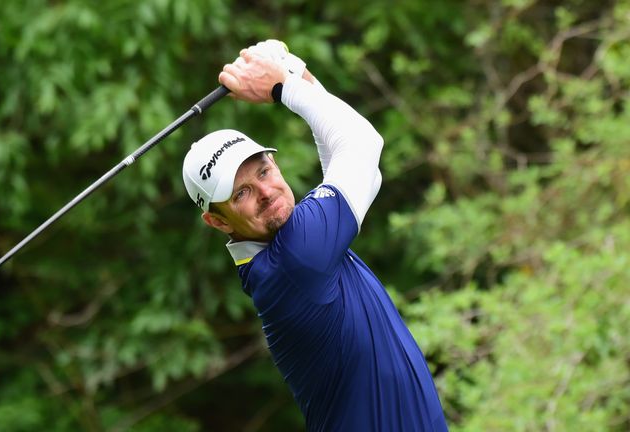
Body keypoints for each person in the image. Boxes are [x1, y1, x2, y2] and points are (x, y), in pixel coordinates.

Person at [182, 40, 448, 431]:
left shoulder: (289, 248)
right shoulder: (296, 260)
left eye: (263, 172)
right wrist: (282, 86)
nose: (266, 192)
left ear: (275, 162)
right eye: (241, 193)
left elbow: (356, 166)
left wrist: (291, 70)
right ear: (219, 222)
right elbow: (362, 144)